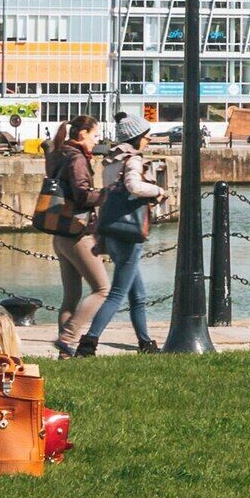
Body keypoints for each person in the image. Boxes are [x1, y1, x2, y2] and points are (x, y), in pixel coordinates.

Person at [74, 138, 166, 353]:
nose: (149, 139)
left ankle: (146, 343)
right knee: (117, 294)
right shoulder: (132, 160)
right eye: (146, 135)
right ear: (137, 137)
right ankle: (88, 343)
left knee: (138, 295)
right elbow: (133, 186)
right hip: (129, 232)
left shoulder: (110, 162)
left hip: (113, 231)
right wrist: (158, 191)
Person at [38, 115, 110, 354]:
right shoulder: (77, 157)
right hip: (77, 233)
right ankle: (68, 338)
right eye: (95, 136)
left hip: (59, 232)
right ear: (83, 134)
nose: (96, 141)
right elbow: (81, 194)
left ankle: (63, 353)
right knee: (102, 289)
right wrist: (107, 194)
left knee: (71, 296)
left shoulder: (59, 153)